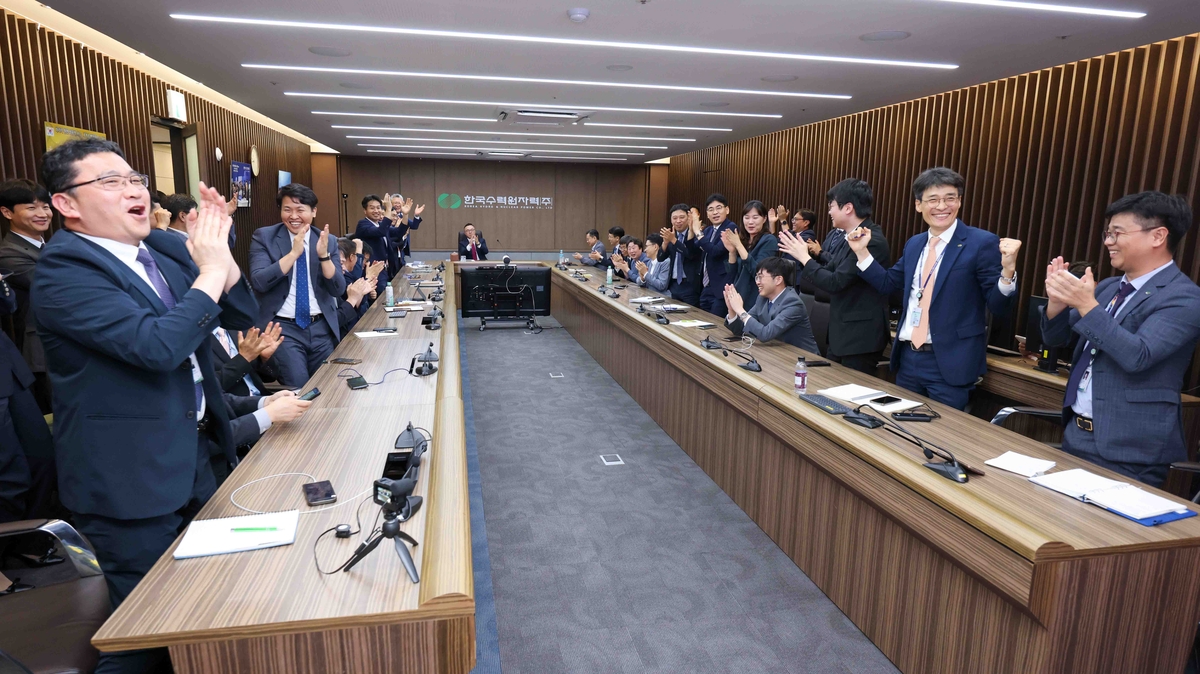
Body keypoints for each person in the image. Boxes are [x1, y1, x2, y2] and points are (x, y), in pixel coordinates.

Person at [32, 138, 258, 672]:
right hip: (130, 483)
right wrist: (205, 270)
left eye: (136, 179)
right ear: (66, 204)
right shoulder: (63, 271)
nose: (134, 190)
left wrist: (218, 248)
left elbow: (237, 308)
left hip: (198, 459)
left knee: (208, 609)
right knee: (148, 637)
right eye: (110, 182)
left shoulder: (158, 248)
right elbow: (157, 347)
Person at [1041, 192, 1200, 487]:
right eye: (1107, 233)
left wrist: (1086, 305)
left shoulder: (1184, 297)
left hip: (1131, 448)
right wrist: (1057, 304)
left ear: (1158, 236)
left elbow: (1137, 356)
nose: (1108, 242)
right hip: (1077, 433)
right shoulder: (1110, 288)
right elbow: (1055, 339)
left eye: (1117, 233)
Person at [849, 167, 1021, 409]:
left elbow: (999, 306)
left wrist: (1008, 272)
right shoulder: (915, 244)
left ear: (959, 201)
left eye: (950, 198)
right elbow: (888, 284)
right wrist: (861, 252)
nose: (942, 206)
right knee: (903, 432)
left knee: (942, 439)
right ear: (918, 205)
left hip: (950, 364)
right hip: (908, 358)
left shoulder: (981, 243)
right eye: (933, 199)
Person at [779, 179, 891, 375]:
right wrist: (805, 256)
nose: (829, 212)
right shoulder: (850, 237)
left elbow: (835, 282)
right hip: (842, 335)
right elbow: (828, 269)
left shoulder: (870, 240)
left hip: (859, 340)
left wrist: (804, 258)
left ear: (848, 208)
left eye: (831, 206)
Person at [249, 183, 345, 388]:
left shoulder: (329, 241)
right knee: (299, 387)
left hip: (321, 327)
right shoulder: (264, 237)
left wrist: (324, 256)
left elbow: (337, 289)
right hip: (284, 328)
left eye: (300, 210)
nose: (294, 216)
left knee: (327, 387)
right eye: (287, 210)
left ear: (313, 211)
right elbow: (259, 281)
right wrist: (293, 255)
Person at [0, 273, 55, 526]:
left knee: (42, 456)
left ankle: (29, 540)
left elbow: (8, 305)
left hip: (9, 370)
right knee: (10, 474)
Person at [0, 179, 54, 412]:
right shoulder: (7, 253)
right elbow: (53, 286)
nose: (42, 213)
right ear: (6, 212)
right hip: (42, 350)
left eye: (46, 206)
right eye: (31, 208)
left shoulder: (50, 247)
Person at [723, 257, 818, 353]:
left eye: (761, 277)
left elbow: (765, 334)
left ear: (778, 280)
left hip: (803, 359)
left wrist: (740, 310)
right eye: (757, 277)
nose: (757, 282)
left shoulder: (793, 303)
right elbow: (742, 330)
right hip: (777, 353)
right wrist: (732, 311)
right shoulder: (762, 299)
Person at [723, 200, 780, 312]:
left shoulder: (769, 240)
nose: (750, 222)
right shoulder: (743, 240)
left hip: (755, 300)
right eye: (746, 217)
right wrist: (732, 251)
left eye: (755, 217)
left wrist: (739, 246)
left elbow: (758, 271)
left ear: (764, 219)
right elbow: (731, 274)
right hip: (738, 297)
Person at [209, 323, 283, 397]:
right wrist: (243, 359)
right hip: (233, 404)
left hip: (263, 398)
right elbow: (210, 387)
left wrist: (264, 359)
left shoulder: (239, 328)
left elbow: (270, 378)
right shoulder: (199, 341)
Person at [696, 193, 739, 317]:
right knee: (702, 320)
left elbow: (715, 251)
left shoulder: (730, 227)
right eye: (711, 209)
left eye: (719, 208)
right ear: (707, 214)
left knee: (716, 323)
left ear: (727, 209)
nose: (715, 212)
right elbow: (695, 246)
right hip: (706, 286)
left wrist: (698, 232)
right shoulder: (708, 230)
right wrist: (695, 230)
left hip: (721, 286)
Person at [661, 205, 703, 306]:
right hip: (674, 285)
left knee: (691, 317)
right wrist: (665, 243)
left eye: (681, 217)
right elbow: (660, 257)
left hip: (690, 285)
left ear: (689, 218)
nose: (678, 221)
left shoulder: (695, 234)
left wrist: (674, 241)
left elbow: (690, 254)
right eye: (674, 218)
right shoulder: (671, 235)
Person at [389, 193, 424, 267]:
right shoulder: (387, 217)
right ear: (390, 204)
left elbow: (414, 226)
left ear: (403, 203)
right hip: (391, 249)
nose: (397, 205)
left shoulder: (403, 216)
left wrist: (416, 215)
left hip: (402, 250)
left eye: (399, 203)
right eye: (395, 203)